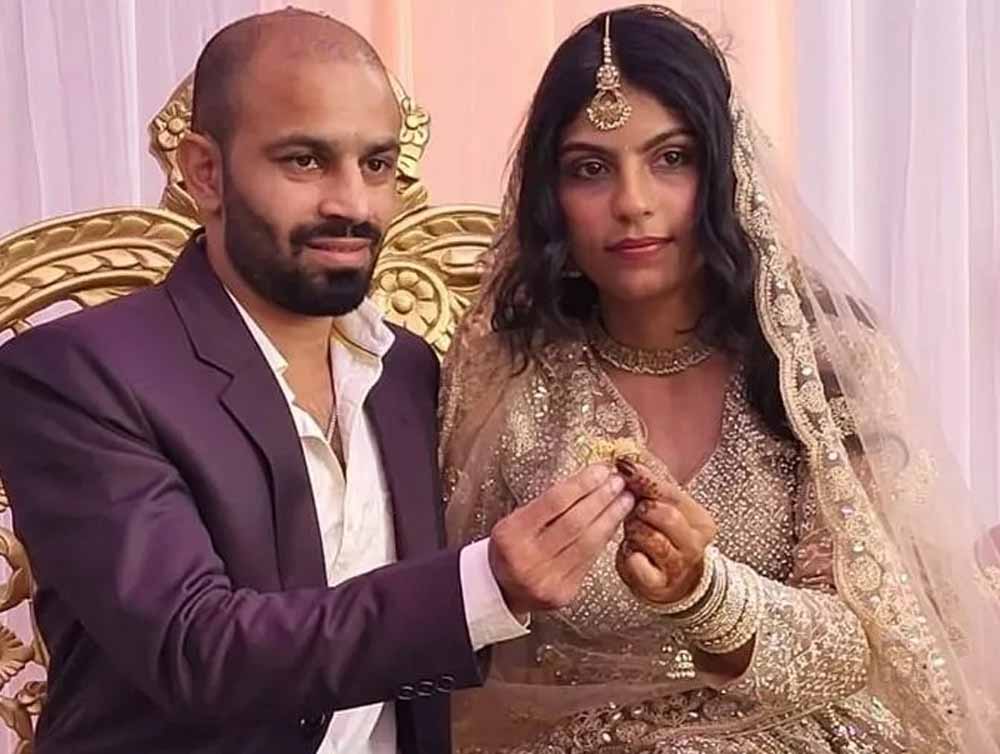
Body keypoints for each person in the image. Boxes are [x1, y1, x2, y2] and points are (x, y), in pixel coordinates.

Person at [0, 9, 638, 754]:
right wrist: (484, 585)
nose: (353, 204)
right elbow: (197, 651)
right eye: (305, 161)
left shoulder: (408, 372)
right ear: (205, 172)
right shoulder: (79, 373)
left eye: (377, 164)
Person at [441, 5, 1000, 752]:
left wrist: (705, 595)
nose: (633, 202)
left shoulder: (816, 361)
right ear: (552, 197)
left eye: (671, 158)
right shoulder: (505, 377)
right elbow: (452, 622)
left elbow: (871, 640)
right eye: (590, 169)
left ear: (725, 173)